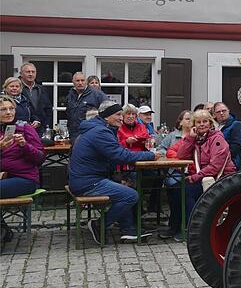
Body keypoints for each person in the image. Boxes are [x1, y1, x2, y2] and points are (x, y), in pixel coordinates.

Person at [67, 101, 160, 243]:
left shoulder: (99, 128)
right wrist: (150, 155)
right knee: (131, 195)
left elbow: (113, 156)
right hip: (87, 182)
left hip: (87, 178)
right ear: (106, 116)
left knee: (127, 185)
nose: (121, 118)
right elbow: (121, 156)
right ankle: (99, 225)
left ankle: (128, 229)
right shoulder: (100, 132)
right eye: (118, 115)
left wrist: (117, 177)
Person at [174, 109, 236, 225]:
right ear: (194, 125)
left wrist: (195, 177)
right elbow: (181, 155)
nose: (202, 124)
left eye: (205, 121)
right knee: (176, 189)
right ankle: (177, 227)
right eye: (198, 122)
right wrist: (190, 138)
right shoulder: (197, 139)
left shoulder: (217, 138)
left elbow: (215, 166)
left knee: (188, 191)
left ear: (211, 123)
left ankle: (194, 226)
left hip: (220, 177)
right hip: (204, 176)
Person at [158, 110, 194, 241]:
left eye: (191, 119)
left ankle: (181, 227)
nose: (190, 121)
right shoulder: (173, 136)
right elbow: (161, 149)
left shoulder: (195, 135)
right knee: (173, 194)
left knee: (180, 194)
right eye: (187, 118)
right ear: (180, 122)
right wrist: (173, 159)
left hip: (189, 172)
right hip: (173, 172)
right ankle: (174, 227)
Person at [0, 95, 45, 198]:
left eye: (11, 108)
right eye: (3, 109)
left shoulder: (25, 128)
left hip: (25, 179)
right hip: (4, 176)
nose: (8, 112)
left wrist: (25, 145)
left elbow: (40, 158)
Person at [65, 72, 107, 142]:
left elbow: (110, 110)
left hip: (90, 134)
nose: (80, 83)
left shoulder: (97, 94)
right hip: (74, 134)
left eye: (82, 80)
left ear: (86, 82)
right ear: (73, 82)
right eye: (77, 81)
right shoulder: (70, 95)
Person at [19, 62, 52, 133]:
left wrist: (46, 126)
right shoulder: (16, 89)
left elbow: (48, 110)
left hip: (41, 129)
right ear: (21, 74)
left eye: (33, 72)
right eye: (28, 72)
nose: (31, 74)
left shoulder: (42, 89)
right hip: (22, 130)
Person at [213, 102, 241, 169]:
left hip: (231, 163)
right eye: (218, 112)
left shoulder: (236, 125)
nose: (221, 113)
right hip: (214, 163)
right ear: (214, 115)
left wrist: (221, 158)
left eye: (224, 111)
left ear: (228, 111)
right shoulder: (213, 127)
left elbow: (236, 146)